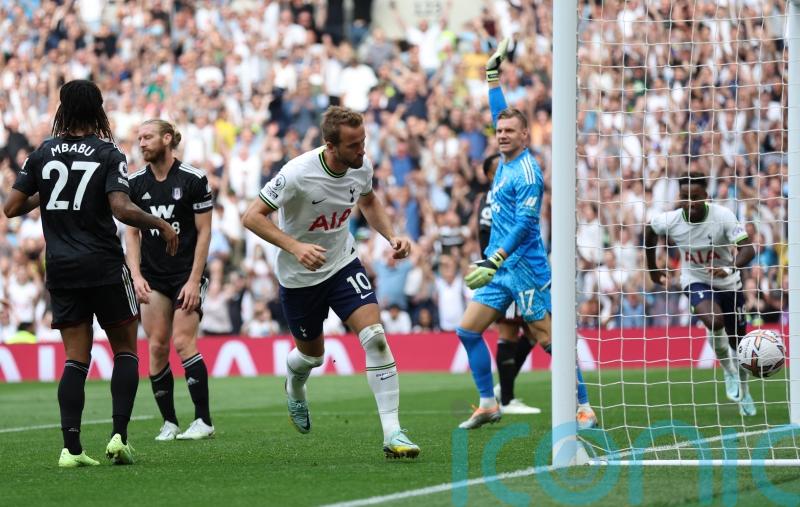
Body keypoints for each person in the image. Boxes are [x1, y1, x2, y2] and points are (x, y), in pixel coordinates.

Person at [3, 80, 178, 467]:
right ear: (97, 109)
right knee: (126, 351)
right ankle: (119, 438)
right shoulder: (107, 152)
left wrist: (50, 192)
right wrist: (160, 224)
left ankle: (71, 449)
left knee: (75, 359)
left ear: (63, 109)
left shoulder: (42, 153)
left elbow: (12, 207)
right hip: (103, 265)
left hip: (61, 269)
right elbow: (121, 208)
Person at [242, 106, 420, 458]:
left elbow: (369, 200)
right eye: (353, 145)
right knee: (312, 357)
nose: (362, 150)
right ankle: (294, 386)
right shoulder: (296, 173)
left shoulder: (361, 165)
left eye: (363, 141)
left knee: (375, 338)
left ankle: (393, 433)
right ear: (331, 145)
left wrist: (391, 235)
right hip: (299, 276)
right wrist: (295, 247)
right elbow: (251, 216)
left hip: (342, 263)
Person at [456, 40, 597, 430]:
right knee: (467, 330)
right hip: (501, 269)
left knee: (549, 340)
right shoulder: (504, 159)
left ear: (524, 137)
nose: (502, 135)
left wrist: (495, 257)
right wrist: (492, 77)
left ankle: (584, 407)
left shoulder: (527, 172)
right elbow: (499, 112)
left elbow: (524, 225)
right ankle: (488, 404)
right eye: (499, 130)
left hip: (526, 269)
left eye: (509, 131)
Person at [125, 119, 215, 441]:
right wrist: (135, 276)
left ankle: (203, 421)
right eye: (139, 138)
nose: (142, 143)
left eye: (147, 137)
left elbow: (205, 232)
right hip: (152, 276)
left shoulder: (193, 179)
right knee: (157, 346)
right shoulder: (134, 183)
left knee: (182, 341)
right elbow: (131, 234)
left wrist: (194, 280)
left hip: (186, 274)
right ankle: (170, 423)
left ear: (167, 139)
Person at [645, 170, 756, 416]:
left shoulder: (723, 216)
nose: (690, 202)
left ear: (706, 196)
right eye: (685, 197)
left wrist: (728, 268)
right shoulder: (671, 220)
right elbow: (649, 231)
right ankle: (728, 371)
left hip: (728, 282)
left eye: (695, 197)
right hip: (695, 280)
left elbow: (748, 250)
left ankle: (745, 391)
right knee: (713, 321)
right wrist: (652, 269)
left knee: (739, 344)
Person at [476, 153, 539, 415]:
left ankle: (504, 388)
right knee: (510, 332)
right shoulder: (493, 198)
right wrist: (495, 266)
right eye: (500, 168)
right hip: (506, 270)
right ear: (491, 175)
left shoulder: (502, 195)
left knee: (533, 333)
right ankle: (507, 399)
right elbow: (487, 236)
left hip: (520, 270)